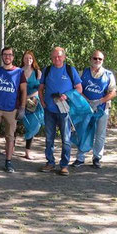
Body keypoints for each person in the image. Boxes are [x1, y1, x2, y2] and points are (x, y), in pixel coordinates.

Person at [39, 47, 82, 176]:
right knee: (49, 138)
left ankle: (64, 165)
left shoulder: (70, 70)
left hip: (64, 110)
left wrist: (66, 96)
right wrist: (42, 101)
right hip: (50, 110)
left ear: (64, 57)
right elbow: (40, 88)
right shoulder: (46, 70)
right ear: (51, 58)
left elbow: (79, 89)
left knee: (66, 138)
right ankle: (50, 162)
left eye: (59, 56)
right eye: (54, 57)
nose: (57, 59)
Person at [74, 50, 117, 169]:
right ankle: (80, 157)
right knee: (83, 132)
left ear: (103, 60)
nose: (97, 61)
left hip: (102, 109)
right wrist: (87, 101)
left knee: (100, 134)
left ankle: (97, 158)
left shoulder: (108, 75)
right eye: (95, 58)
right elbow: (77, 88)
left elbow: (113, 92)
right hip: (85, 108)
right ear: (90, 59)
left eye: (100, 59)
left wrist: (99, 102)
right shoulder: (83, 73)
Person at [21, 50, 42, 160]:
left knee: (34, 124)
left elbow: (40, 88)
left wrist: (29, 97)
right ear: (23, 59)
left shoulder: (37, 72)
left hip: (34, 101)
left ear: (33, 59)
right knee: (14, 124)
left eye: (30, 58)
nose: (28, 60)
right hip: (20, 101)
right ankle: (9, 148)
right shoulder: (19, 71)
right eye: (26, 58)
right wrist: (23, 98)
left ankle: (27, 151)